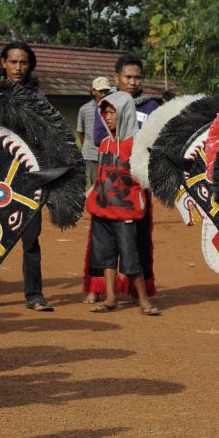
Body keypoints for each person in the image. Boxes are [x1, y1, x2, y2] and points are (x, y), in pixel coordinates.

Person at [0, 41, 53, 312]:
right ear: (3, 62)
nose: (18, 67)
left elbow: (46, 137)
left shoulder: (38, 99)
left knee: (31, 240)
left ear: (30, 66)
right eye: (13, 61)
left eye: (24, 62)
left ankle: (34, 295)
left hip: (28, 177)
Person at [86, 90, 159, 316]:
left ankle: (144, 301)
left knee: (131, 256)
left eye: (112, 112)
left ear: (125, 113)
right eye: (105, 112)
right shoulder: (105, 143)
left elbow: (143, 177)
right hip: (102, 210)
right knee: (106, 257)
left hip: (126, 212)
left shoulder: (137, 144)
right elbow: (101, 175)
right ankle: (110, 298)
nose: (107, 117)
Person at [77, 76, 110, 191]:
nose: (104, 94)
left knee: (106, 188)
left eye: (106, 91)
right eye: (101, 91)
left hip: (108, 155)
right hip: (90, 155)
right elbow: (81, 133)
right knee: (90, 189)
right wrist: (88, 147)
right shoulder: (84, 109)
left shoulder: (113, 108)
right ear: (93, 91)